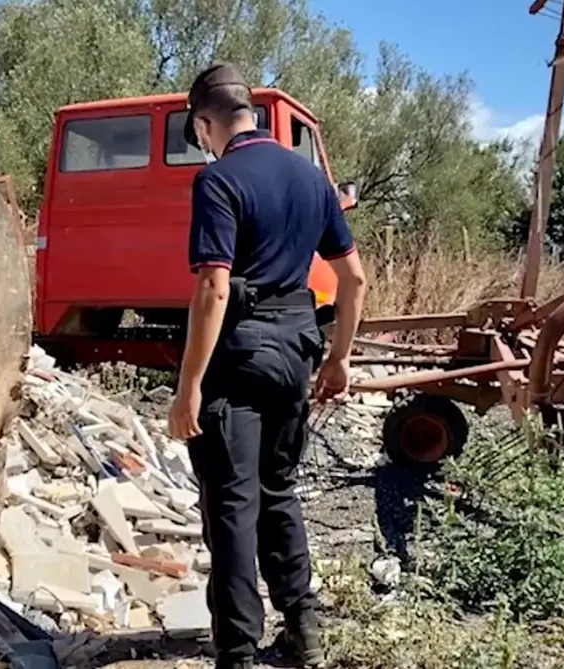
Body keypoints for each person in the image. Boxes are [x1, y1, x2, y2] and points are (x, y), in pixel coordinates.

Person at [166, 63, 367, 669]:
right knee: (278, 490)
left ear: (205, 123)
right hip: (297, 350)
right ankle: (303, 629)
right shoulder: (311, 179)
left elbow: (213, 288)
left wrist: (188, 386)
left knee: (232, 505)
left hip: (240, 355)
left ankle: (238, 652)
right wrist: (340, 358)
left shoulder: (218, 180)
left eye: (198, 133)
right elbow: (354, 279)